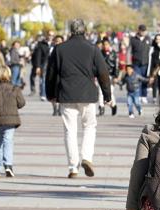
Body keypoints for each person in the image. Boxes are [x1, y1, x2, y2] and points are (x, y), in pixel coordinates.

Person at [45, 18, 112, 179]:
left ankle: (73, 167)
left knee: (70, 130)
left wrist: (50, 94)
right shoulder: (92, 49)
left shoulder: (59, 49)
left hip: (66, 94)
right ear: (84, 31)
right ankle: (86, 157)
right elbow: (103, 73)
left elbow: (51, 74)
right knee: (89, 127)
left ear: (70, 30)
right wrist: (107, 95)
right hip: (88, 94)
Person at [130, 24, 152, 104]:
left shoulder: (149, 39)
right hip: (136, 63)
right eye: (141, 30)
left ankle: (144, 96)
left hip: (145, 63)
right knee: (137, 80)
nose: (143, 32)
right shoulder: (133, 39)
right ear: (138, 30)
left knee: (145, 80)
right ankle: (138, 96)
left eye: (144, 31)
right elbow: (129, 51)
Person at [99, 38, 119, 116]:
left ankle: (113, 105)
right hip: (101, 75)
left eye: (107, 44)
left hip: (111, 75)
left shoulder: (113, 53)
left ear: (109, 45)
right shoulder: (99, 53)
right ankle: (101, 107)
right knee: (101, 92)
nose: (105, 46)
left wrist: (116, 76)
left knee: (110, 92)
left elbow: (116, 66)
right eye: (104, 45)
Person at [32, 35, 50, 101]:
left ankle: (46, 93)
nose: (50, 36)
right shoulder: (41, 45)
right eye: (49, 35)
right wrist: (38, 66)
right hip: (44, 65)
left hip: (52, 65)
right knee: (43, 80)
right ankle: (43, 94)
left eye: (52, 35)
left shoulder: (55, 44)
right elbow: (38, 56)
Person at [49, 35, 64, 116]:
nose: (58, 42)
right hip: (52, 74)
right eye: (56, 41)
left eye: (59, 41)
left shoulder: (65, 51)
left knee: (61, 93)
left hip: (62, 74)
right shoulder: (51, 50)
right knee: (53, 93)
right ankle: (55, 108)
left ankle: (60, 109)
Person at [149, 34, 160, 102]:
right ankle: (154, 97)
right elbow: (150, 57)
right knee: (154, 83)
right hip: (153, 67)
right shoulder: (152, 48)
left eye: (159, 39)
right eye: (156, 39)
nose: (157, 40)